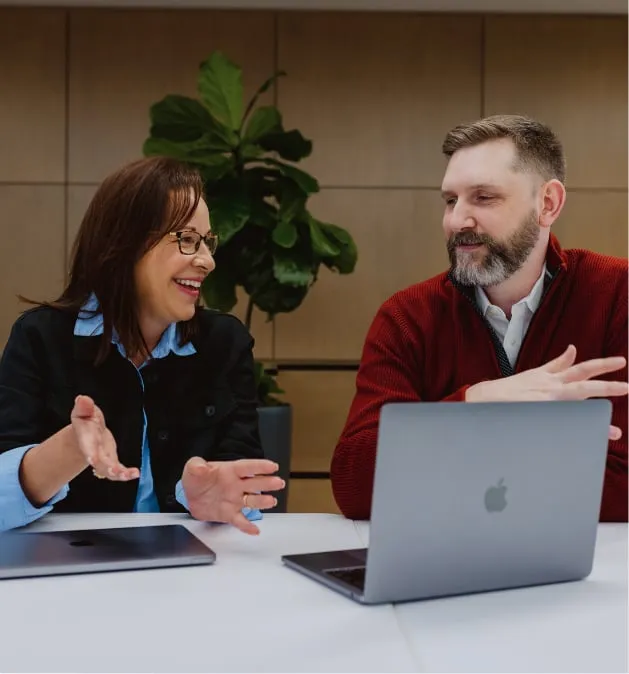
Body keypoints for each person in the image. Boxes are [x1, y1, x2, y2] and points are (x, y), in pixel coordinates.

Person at [331, 114, 628, 522]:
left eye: (483, 198)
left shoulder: (618, 295)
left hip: (595, 574)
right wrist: (477, 403)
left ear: (547, 204)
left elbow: (622, 484)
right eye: (451, 200)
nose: (456, 221)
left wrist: (437, 453)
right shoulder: (406, 316)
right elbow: (357, 484)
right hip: (441, 567)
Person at [0, 156, 284, 535]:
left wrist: (201, 494)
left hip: (190, 570)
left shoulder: (224, 343)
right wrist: (70, 449)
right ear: (124, 245)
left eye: (207, 242)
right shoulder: (41, 338)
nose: (207, 261)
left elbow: (239, 472)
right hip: (66, 573)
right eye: (186, 239)